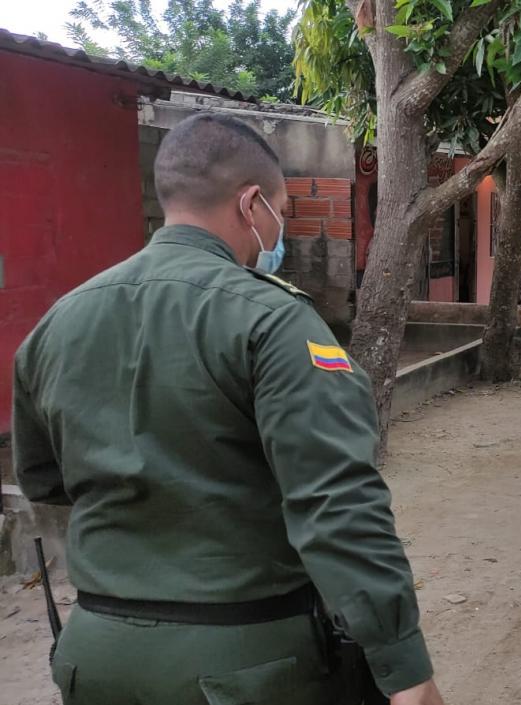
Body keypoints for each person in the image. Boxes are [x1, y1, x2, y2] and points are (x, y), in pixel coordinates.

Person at [11, 114, 444, 705]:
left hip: (95, 658)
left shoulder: (57, 323)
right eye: (282, 213)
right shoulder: (273, 320)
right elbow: (337, 502)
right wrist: (406, 670)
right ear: (251, 204)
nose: (280, 231)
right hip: (246, 664)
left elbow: (43, 480)